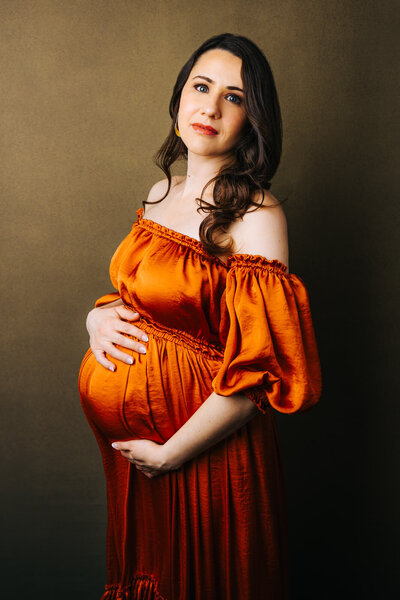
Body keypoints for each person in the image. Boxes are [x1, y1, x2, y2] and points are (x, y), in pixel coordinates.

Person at [78, 32, 322, 600]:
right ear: (179, 97)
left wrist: (171, 454)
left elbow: (261, 369)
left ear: (253, 119)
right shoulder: (160, 192)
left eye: (234, 97)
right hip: (142, 464)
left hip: (202, 458)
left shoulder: (257, 215)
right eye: (201, 86)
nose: (210, 107)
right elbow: (149, 299)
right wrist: (97, 320)